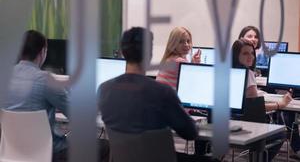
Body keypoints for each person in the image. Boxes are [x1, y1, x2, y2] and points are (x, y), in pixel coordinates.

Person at [99, 27, 218, 162]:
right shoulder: (162, 92)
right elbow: (190, 133)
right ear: (149, 54)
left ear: (123, 53)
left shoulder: (104, 90)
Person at [5, 30, 109, 162]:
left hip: (12, 151)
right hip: (50, 152)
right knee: (104, 146)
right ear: (43, 52)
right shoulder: (45, 80)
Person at [231, 38, 292, 161]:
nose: (250, 57)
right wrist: (281, 104)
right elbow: (255, 107)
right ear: (236, 55)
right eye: (245, 53)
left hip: (228, 124)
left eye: (252, 53)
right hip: (245, 128)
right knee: (281, 132)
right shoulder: (247, 74)